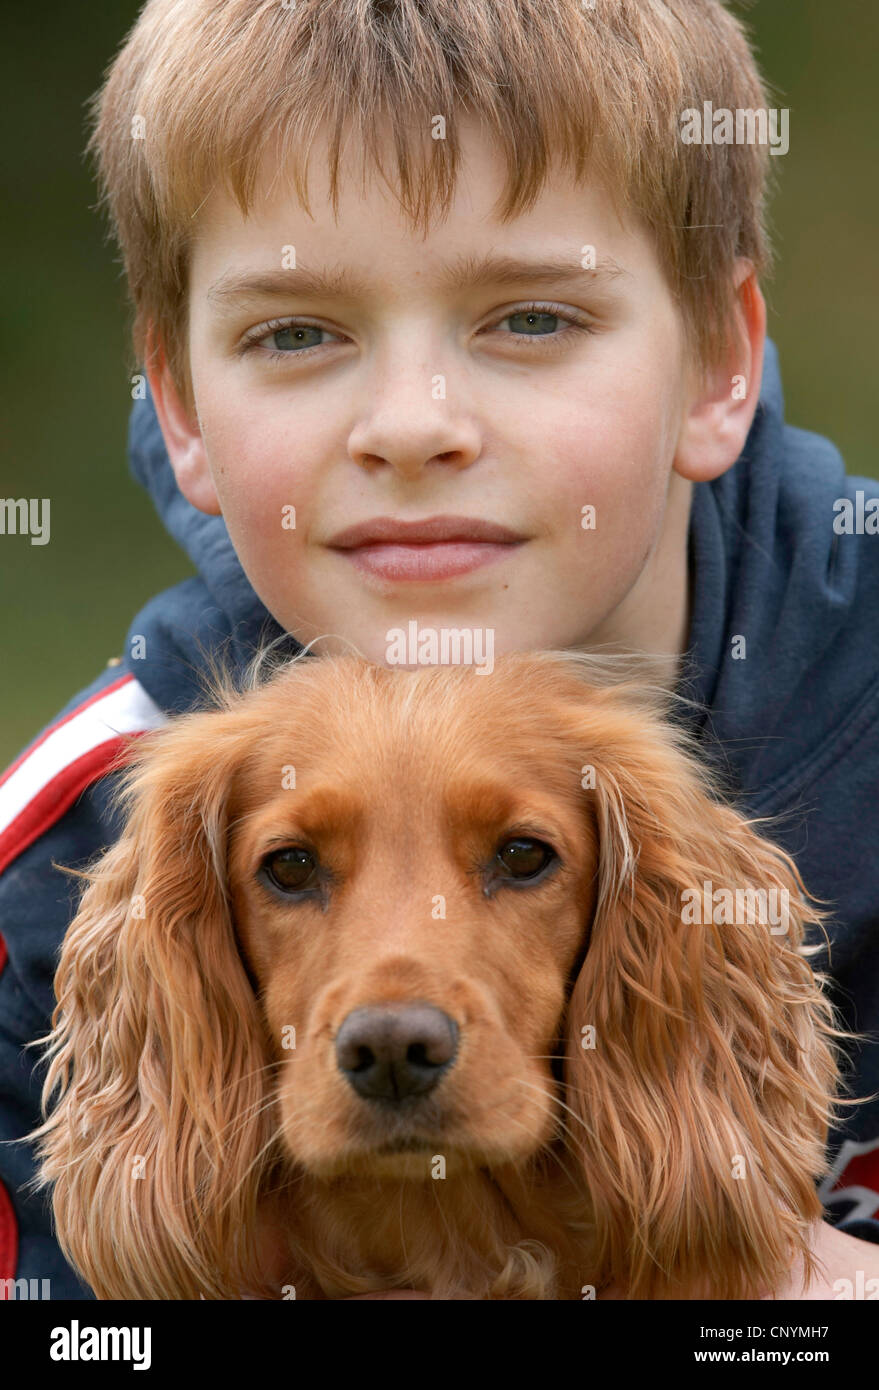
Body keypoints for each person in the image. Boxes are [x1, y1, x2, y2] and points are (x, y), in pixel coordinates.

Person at [1, 0, 877, 1300]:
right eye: (297, 331)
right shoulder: (65, 856)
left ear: (714, 367)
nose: (413, 428)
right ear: (179, 401)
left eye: (530, 317)